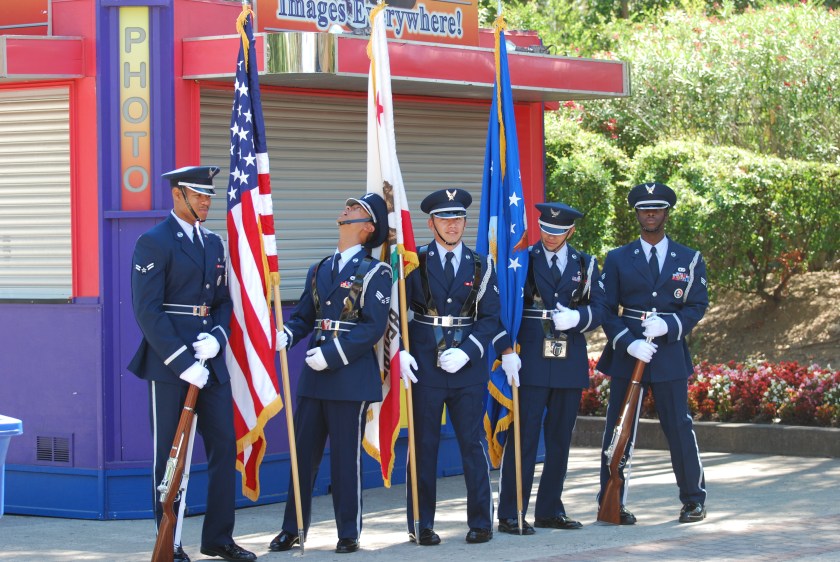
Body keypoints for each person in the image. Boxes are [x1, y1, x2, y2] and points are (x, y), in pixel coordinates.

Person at [128, 165, 256, 562]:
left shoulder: (213, 243)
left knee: (223, 446)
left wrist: (217, 338)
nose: (205, 202)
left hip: (209, 360)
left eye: (208, 196)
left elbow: (222, 302)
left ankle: (218, 537)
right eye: (198, 195)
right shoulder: (154, 241)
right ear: (177, 194)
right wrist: (183, 362)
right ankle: (170, 540)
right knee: (171, 453)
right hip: (171, 365)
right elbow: (147, 310)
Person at [268, 193, 392, 555]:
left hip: (349, 376)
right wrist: (288, 334)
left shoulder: (377, 272)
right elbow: (305, 317)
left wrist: (332, 354)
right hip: (314, 377)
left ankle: (348, 531)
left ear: (367, 227)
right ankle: (292, 528)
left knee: (345, 459)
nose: (346, 210)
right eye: (348, 207)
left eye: (355, 210)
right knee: (301, 456)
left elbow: (373, 327)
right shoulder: (320, 268)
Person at [596, 182, 709, 525]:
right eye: (644, 209)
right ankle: (610, 499)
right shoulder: (618, 258)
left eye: (656, 209)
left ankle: (693, 499)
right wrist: (628, 342)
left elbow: (697, 305)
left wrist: (670, 325)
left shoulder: (689, 258)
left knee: (679, 427)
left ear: (666, 213)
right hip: (629, 352)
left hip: (669, 352)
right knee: (619, 427)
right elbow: (605, 308)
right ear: (637, 214)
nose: (650, 214)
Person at [398, 188, 502, 546]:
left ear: (465, 223)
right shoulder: (413, 262)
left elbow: (489, 318)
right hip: (425, 365)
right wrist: (400, 350)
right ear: (431, 224)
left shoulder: (482, 265)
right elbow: (396, 310)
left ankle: (481, 522)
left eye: (458, 219)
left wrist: (468, 352)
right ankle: (420, 522)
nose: (452, 225)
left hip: (467, 369)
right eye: (444, 219)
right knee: (423, 446)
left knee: (472, 445)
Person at [494, 202, 605, 535]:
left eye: (558, 232)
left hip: (568, 357)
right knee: (524, 438)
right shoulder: (522, 260)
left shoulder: (585, 263)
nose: (550, 237)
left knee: (559, 440)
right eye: (545, 230)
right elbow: (501, 306)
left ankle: (550, 509)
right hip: (531, 357)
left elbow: (601, 308)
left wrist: (578, 318)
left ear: (570, 231)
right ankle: (512, 512)